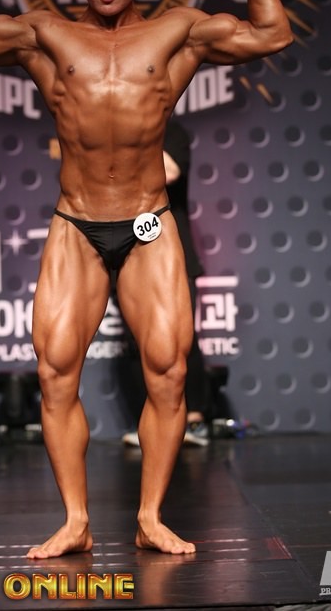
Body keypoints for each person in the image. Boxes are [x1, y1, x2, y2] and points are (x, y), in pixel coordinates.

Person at [0, 0, 293, 559]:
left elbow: (273, 33)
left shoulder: (177, 31)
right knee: (54, 373)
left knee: (169, 373)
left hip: (148, 222)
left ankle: (150, 517)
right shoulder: (46, 34)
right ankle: (76, 521)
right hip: (77, 223)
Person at [121, 116, 212, 448]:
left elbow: (170, 170)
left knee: (181, 339)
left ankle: (194, 419)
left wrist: (133, 141)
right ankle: (148, 423)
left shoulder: (168, 130)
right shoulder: (112, 135)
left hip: (174, 252)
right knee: (138, 341)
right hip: (131, 253)